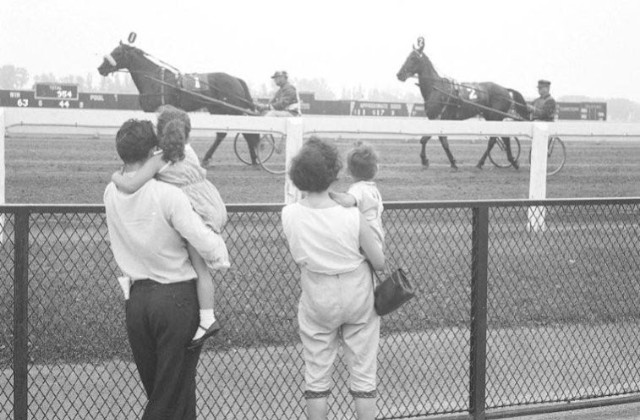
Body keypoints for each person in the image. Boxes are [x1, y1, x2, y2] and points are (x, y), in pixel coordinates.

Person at [104, 119, 226, 419]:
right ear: (153, 150)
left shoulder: (111, 191)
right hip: (176, 300)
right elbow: (205, 243)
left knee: (169, 394)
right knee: (169, 397)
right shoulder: (168, 194)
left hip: (137, 302)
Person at [281, 137, 385, 420]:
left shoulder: (289, 214)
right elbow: (379, 261)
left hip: (317, 294)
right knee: (363, 376)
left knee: (316, 378)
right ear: (333, 172)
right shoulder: (351, 215)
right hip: (358, 294)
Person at [111, 105, 229, 349]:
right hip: (210, 204)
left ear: (159, 134)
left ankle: (208, 320)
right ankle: (207, 317)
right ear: (187, 134)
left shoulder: (159, 160)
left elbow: (132, 185)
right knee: (202, 271)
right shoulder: (190, 155)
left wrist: (115, 177)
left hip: (193, 211)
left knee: (198, 264)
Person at [329, 142, 385, 249]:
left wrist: (331, 194)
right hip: (377, 234)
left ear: (349, 171)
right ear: (375, 169)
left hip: (366, 237)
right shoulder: (373, 189)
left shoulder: (359, 188)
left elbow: (348, 201)